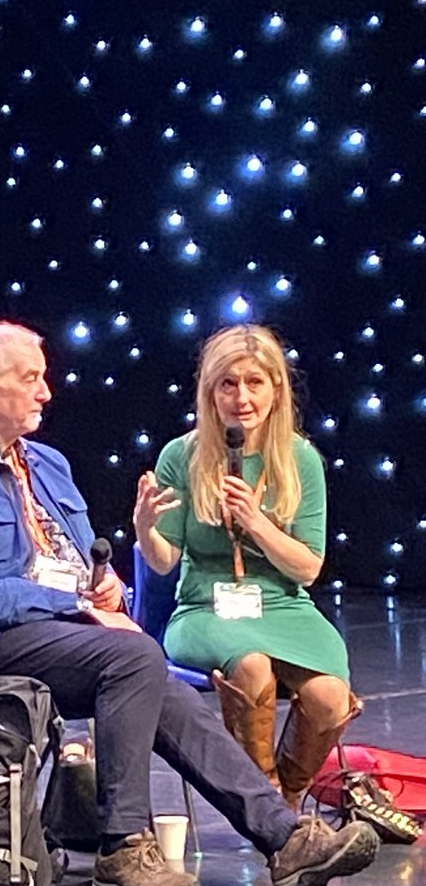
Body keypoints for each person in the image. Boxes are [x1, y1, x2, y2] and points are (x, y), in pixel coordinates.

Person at [0, 321, 378, 886]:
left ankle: (285, 841)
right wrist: (79, 604)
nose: (46, 391)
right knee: (133, 657)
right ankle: (123, 845)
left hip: (65, 633)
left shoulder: (47, 464)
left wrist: (104, 588)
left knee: (159, 684)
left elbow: (83, 561)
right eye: (30, 379)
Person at [135, 324, 358, 809]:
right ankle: (264, 808)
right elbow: (163, 561)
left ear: (276, 388)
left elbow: (307, 569)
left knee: (329, 696)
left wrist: (256, 522)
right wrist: (145, 529)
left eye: (255, 382)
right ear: (210, 392)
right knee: (252, 665)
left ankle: (287, 804)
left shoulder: (301, 458)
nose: (242, 398)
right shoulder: (182, 455)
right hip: (205, 607)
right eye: (228, 384)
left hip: (282, 605)